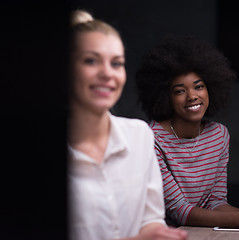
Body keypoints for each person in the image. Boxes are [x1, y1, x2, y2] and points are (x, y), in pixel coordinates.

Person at [135, 35, 239, 230]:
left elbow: (215, 202)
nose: (192, 96)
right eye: (180, 91)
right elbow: (179, 212)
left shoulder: (218, 135)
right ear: (165, 97)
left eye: (199, 87)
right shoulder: (152, 139)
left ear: (210, 89)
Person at [68, 10, 187, 240]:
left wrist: (158, 234)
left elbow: (150, 220)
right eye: (91, 61)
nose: (107, 73)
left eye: (116, 63)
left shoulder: (139, 135)